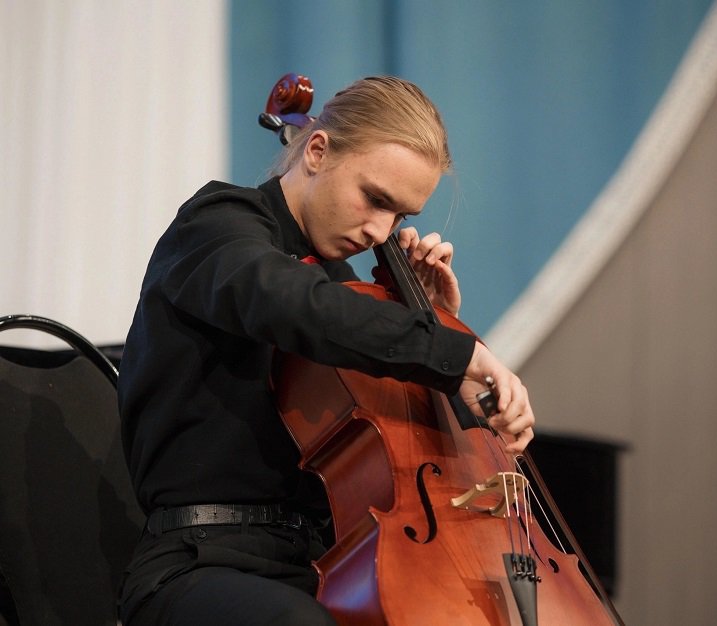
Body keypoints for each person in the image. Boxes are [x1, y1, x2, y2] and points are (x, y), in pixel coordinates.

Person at [117, 76, 535, 625]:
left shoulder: (348, 292)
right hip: (202, 563)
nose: (381, 231)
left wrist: (429, 321)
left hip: (326, 563)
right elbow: (293, 305)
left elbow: (414, 459)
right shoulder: (217, 226)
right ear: (316, 150)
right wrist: (449, 350)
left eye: (400, 217)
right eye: (375, 199)